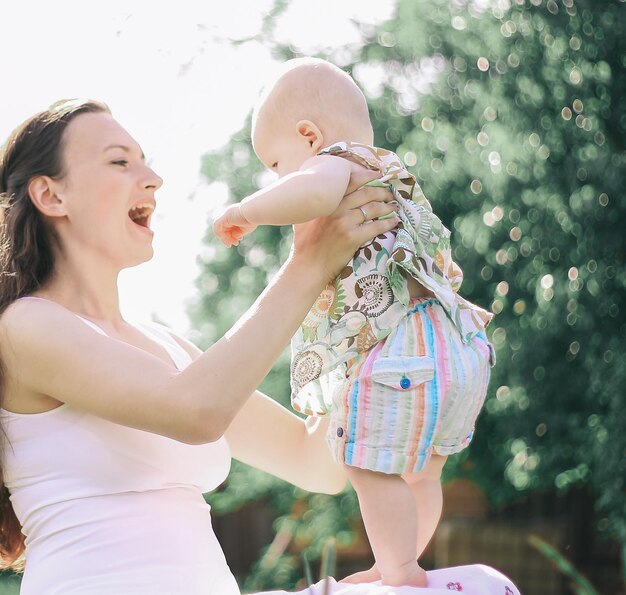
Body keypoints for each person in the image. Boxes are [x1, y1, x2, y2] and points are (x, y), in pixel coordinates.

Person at [0, 98, 399, 595]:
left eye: (144, 159)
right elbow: (196, 411)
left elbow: (315, 463)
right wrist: (311, 262)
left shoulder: (168, 349)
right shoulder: (25, 328)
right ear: (50, 195)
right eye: (120, 161)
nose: (152, 178)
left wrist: (377, 307)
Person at [213, 58, 495, 588]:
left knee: (364, 462)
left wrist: (248, 210)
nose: (277, 180)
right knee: (423, 470)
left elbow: (314, 192)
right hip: (458, 341)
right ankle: (404, 563)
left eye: (276, 166)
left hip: (401, 350)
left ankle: (398, 569)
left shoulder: (338, 161)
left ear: (309, 136)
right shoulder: (395, 175)